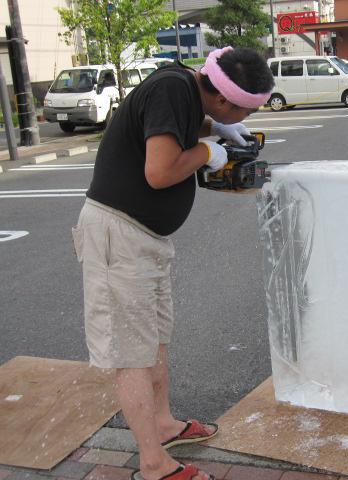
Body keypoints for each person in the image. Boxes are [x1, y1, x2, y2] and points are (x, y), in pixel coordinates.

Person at [71, 47, 274, 480]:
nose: (245, 120)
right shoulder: (172, 90)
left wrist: (215, 128)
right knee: (132, 352)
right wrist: (207, 151)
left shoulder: (187, 93)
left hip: (145, 237)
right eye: (243, 112)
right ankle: (152, 463)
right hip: (119, 236)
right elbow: (160, 172)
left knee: (155, 339)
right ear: (223, 98)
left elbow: (176, 126)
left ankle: (163, 425)